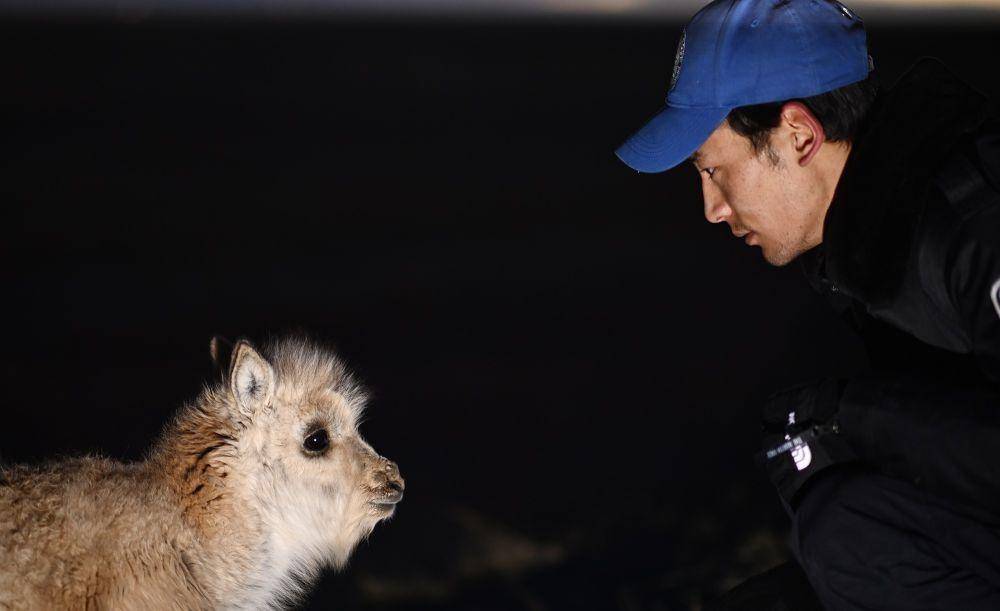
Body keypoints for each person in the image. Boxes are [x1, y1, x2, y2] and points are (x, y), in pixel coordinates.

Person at [615, 0, 1000, 608]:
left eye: (714, 170)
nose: (712, 208)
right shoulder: (873, 241)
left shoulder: (973, 225)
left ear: (798, 135)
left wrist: (854, 418)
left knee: (845, 527)